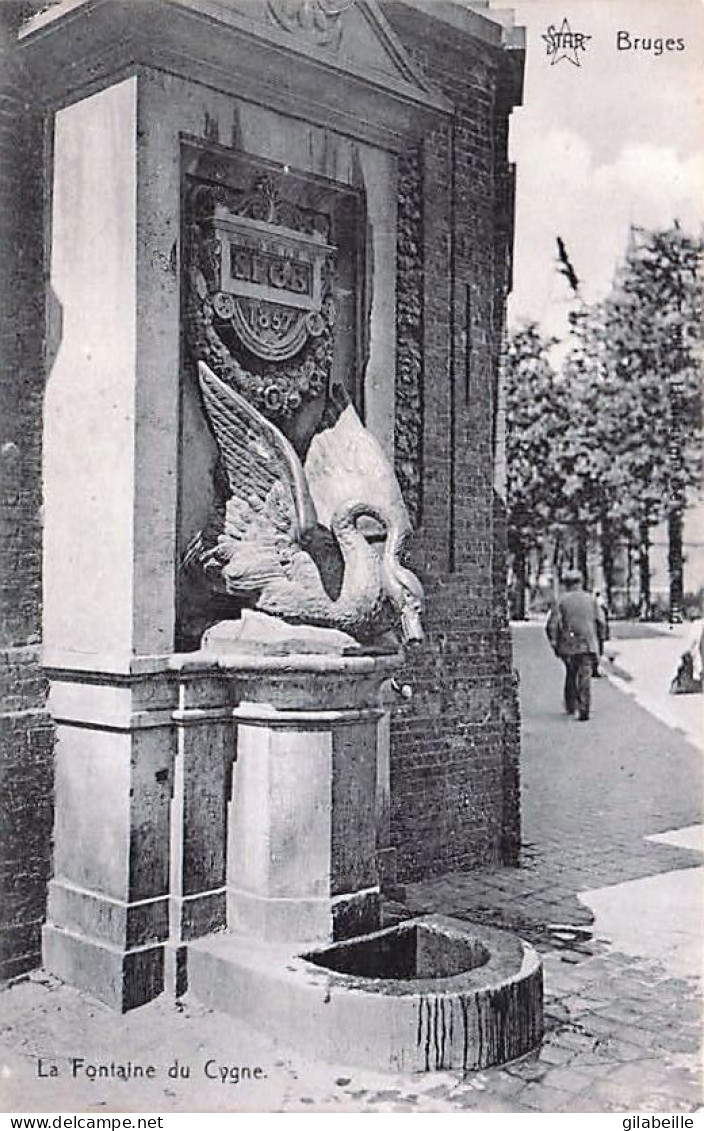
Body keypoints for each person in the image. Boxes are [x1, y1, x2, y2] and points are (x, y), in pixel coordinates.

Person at [546, 569, 607, 721]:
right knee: (585, 674)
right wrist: (601, 639)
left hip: (568, 645)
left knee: (571, 673)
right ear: (580, 583)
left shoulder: (561, 601)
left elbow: (552, 625)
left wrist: (554, 643)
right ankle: (584, 708)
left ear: (566, 584)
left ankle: (570, 704)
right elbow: (601, 622)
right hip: (588, 644)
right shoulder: (591, 600)